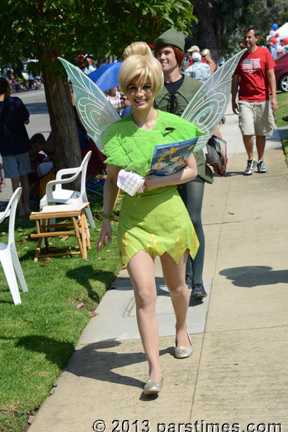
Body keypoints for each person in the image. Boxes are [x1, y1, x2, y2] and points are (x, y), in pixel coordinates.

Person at [97, 53, 202, 395]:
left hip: (170, 217)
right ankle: (154, 370)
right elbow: (111, 180)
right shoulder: (116, 133)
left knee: (176, 288)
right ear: (124, 90)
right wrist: (107, 220)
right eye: (132, 87)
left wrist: (155, 182)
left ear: (154, 87)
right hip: (133, 223)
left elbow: (191, 170)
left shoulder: (175, 126)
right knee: (144, 294)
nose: (139, 93)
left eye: (145, 86)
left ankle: (182, 328)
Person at [154, 28, 214, 300]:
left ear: (178, 55)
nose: (162, 57)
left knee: (193, 218)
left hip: (194, 163)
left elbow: (208, 121)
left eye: (166, 52)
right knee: (176, 224)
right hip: (165, 167)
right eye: (159, 53)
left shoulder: (195, 87)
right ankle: (185, 274)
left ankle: (198, 280)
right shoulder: (153, 91)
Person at [231, 25, 278, 175]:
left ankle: (261, 160)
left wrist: (274, 97)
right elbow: (235, 80)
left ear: (256, 38)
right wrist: (233, 99)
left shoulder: (265, 54)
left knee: (261, 132)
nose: (246, 40)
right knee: (246, 131)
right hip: (245, 99)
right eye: (245, 37)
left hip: (262, 98)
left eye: (249, 37)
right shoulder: (240, 57)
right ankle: (251, 159)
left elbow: (271, 76)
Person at [0, 77, 31, 215]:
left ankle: (19, 210)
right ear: (7, 88)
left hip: (6, 147)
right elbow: (27, 120)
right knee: (24, 177)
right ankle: (28, 207)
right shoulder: (16, 102)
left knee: (14, 180)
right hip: (22, 144)